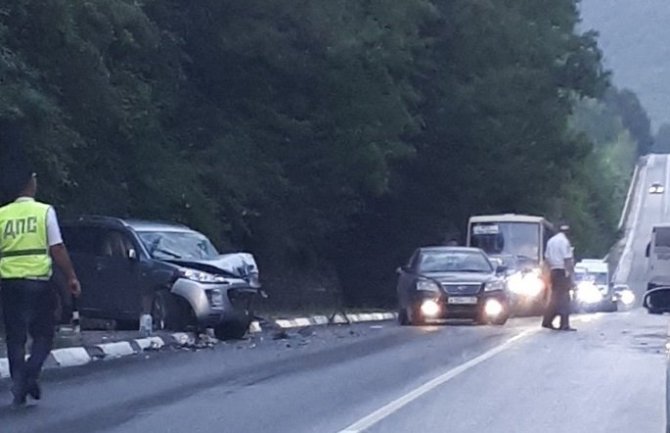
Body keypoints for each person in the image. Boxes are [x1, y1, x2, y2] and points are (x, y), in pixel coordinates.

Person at [0, 169, 81, 406]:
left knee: (15, 337)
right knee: (44, 335)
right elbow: (56, 248)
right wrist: (71, 277)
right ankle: (29, 374)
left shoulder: (2, 215)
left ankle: (19, 382)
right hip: (38, 281)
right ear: (30, 184)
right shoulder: (44, 211)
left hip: (9, 282)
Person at [541, 223, 576, 331]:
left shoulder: (551, 241)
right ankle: (564, 324)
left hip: (553, 271)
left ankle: (547, 320)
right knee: (564, 298)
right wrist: (571, 275)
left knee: (555, 297)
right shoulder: (564, 242)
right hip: (562, 272)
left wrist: (546, 273)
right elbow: (567, 260)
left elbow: (546, 259)